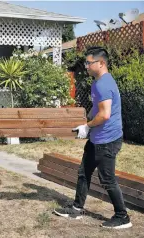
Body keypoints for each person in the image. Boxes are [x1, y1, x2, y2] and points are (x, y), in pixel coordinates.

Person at [54, 47, 132, 229]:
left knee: (107, 179)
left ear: (101, 63)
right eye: (86, 62)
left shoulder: (103, 84)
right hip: (97, 138)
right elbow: (98, 109)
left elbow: (105, 115)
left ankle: (123, 217)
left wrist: (87, 126)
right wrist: (87, 121)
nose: (86, 66)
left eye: (89, 63)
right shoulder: (99, 82)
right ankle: (76, 208)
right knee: (84, 172)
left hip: (107, 140)